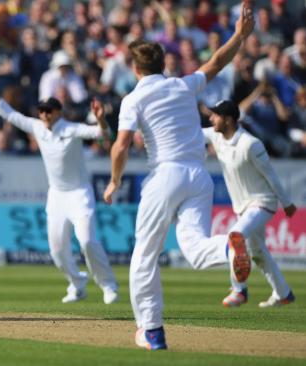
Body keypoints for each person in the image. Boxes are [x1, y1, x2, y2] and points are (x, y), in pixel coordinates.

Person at [103, 2, 255, 351]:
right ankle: (230, 249)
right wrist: (238, 36)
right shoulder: (183, 85)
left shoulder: (133, 98)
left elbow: (121, 145)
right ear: (162, 65)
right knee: (196, 251)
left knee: (144, 255)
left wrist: (114, 180)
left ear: (135, 68)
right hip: (199, 176)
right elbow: (216, 62)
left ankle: (152, 331)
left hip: (165, 176)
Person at [0, 66, 119, 305]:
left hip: (80, 193)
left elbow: (104, 137)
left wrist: (102, 119)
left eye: (48, 110)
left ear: (59, 112)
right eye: (41, 110)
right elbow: (8, 113)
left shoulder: (72, 129)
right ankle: (76, 283)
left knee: (87, 242)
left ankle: (108, 285)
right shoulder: (37, 127)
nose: (44, 114)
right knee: (57, 251)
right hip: (57, 196)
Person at [204, 100, 296, 308]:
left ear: (228, 120)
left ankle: (239, 290)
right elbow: (192, 133)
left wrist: (287, 203)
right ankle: (283, 293)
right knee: (258, 252)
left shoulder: (250, 144)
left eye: (215, 115)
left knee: (235, 236)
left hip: (262, 202)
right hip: (242, 208)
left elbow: (271, 175)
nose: (211, 118)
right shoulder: (215, 135)